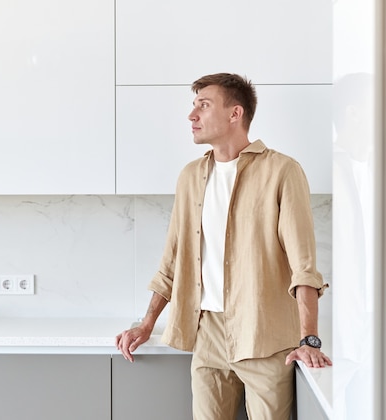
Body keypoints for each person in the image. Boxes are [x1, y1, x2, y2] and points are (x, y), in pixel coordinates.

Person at [115, 73, 332, 420]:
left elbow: (303, 265)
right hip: (207, 333)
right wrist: (146, 323)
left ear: (235, 114)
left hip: (266, 334)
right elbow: (173, 261)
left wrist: (309, 339)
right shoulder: (190, 177)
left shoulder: (282, 171)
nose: (192, 116)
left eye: (204, 105)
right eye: (193, 106)